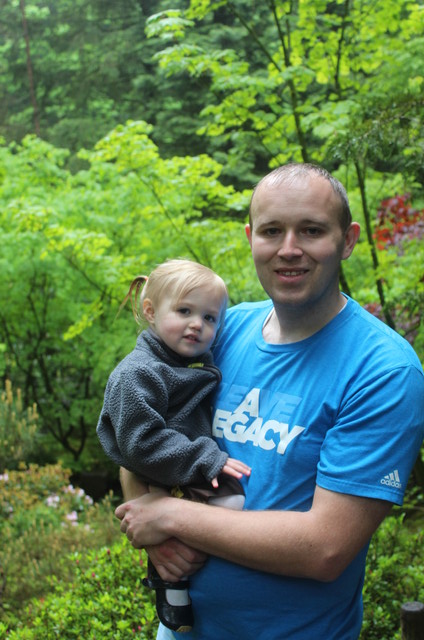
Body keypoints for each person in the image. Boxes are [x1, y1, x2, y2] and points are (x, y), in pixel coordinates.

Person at [114, 164, 424, 640]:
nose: (289, 249)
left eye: (312, 230)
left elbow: (326, 548)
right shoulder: (221, 330)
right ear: (251, 237)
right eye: (272, 231)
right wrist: (153, 527)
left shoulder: (383, 370)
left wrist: (172, 516)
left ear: (348, 240)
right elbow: (136, 432)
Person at [96, 259, 250, 633]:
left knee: (225, 505)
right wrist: (206, 457)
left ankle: (175, 584)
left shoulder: (187, 361)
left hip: (176, 466)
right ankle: (172, 583)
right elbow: (139, 443)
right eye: (184, 311)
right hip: (169, 465)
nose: (198, 324)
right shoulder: (138, 372)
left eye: (211, 318)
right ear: (151, 311)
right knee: (231, 501)